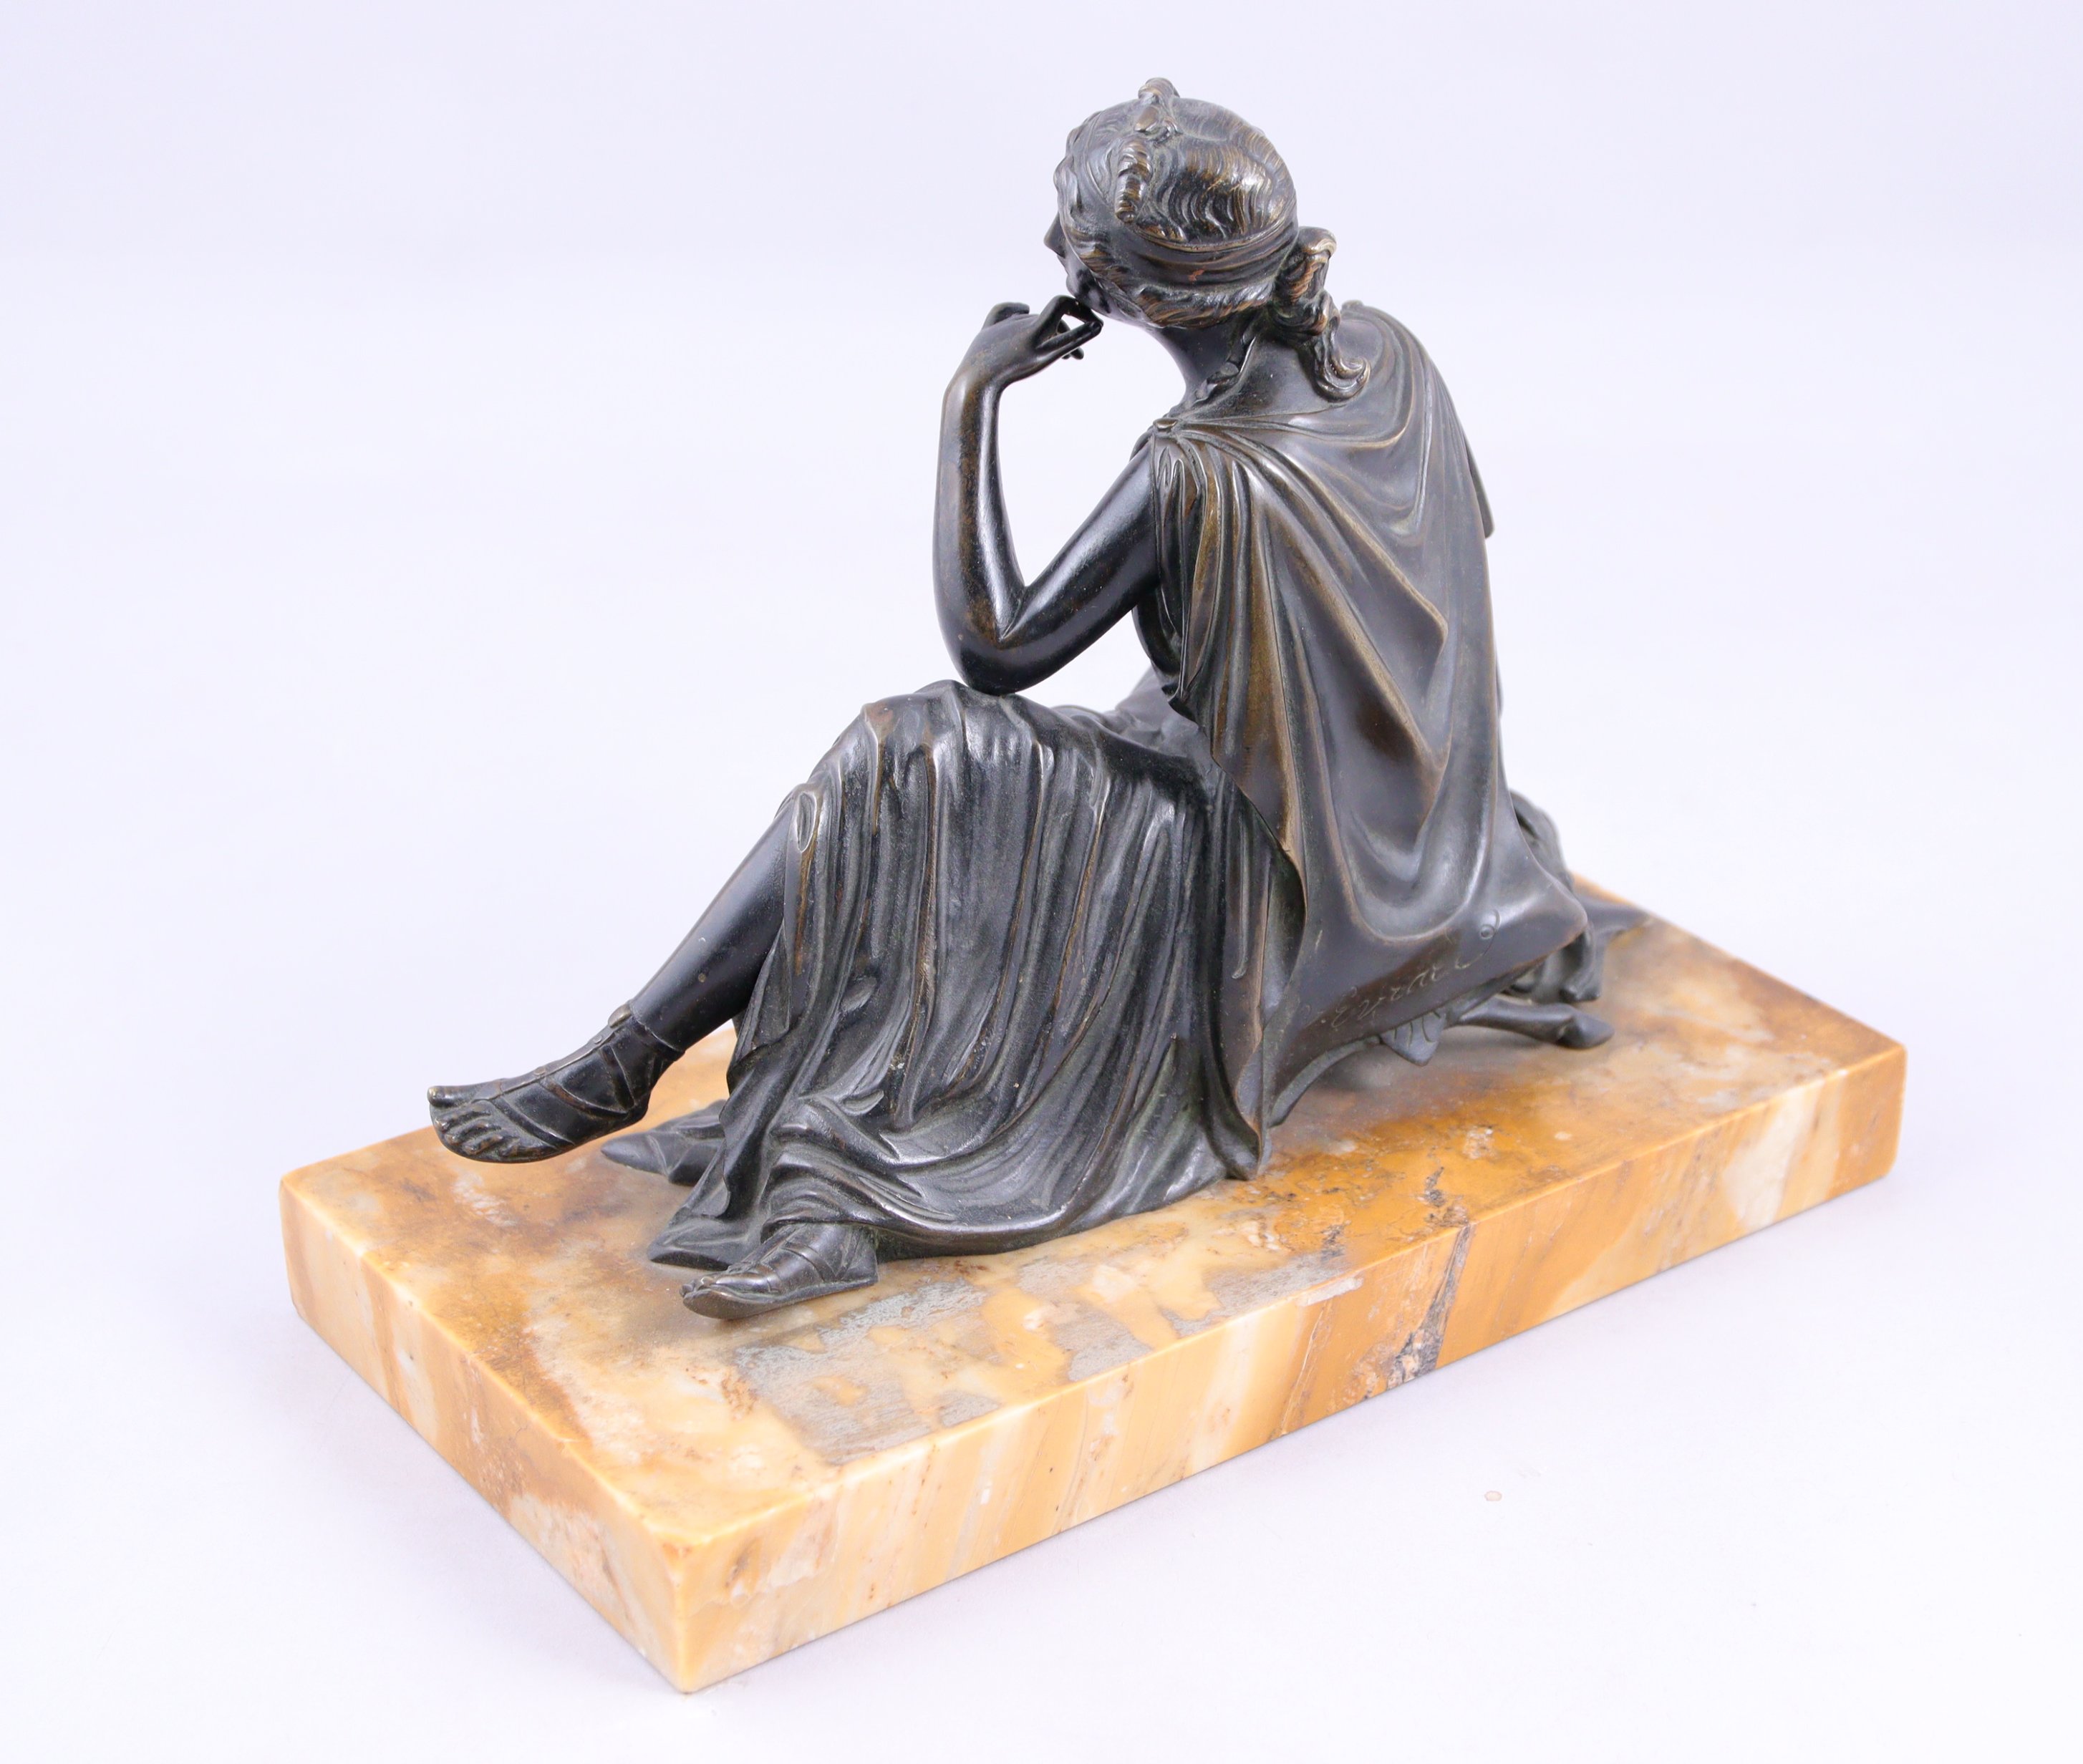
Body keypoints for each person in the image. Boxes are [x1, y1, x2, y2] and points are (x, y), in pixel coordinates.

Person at [429, 80, 1623, 1319]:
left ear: (1127, 291)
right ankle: (672, 1087)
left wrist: (971, 405)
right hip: (1407, 819)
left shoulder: (1196, 468)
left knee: (912, 752)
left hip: (1260, 868)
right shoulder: (1386, 354)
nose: (1053, 241)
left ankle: (654, 1076)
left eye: (1074, 231)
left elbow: (995, 653)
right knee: (945, 783)